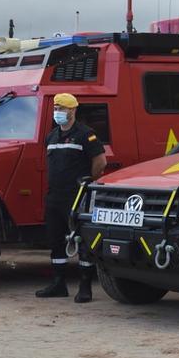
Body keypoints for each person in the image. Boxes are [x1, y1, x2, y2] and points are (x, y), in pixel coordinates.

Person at [36, 93, 107, 303]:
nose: (58, 112)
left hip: (77, 197)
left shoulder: (86, 134)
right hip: (55, 196)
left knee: (82, 240)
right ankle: (59, 284)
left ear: (73, 110)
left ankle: (85, 287)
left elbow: (100, 162)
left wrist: (87, 181)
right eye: (56, 108)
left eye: (62, 108)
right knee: (56, 240)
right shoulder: (51, 136)